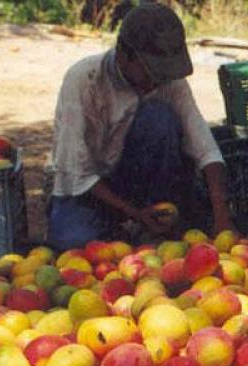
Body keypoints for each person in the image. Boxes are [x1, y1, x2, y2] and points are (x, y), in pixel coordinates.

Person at [46, 2, 232, 251]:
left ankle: (145, 228)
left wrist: (223, 220)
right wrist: (135, 213)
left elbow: (205, 148)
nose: (156, 82)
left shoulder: (167, 82)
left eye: (161, 75)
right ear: (125, 54)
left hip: (135, 183)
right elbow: (78, 175)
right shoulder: (84, 81)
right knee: (75, 245)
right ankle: (130, 229)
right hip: (86, 192)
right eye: (149, 73)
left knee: (160, 118)